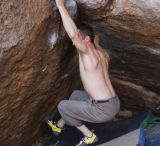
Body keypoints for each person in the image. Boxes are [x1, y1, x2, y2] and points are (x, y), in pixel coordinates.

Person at [45, 0, 120, 145]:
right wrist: (92, 39)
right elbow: (93, 40)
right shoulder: (102, 54)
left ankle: (88, 136)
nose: (75, 41)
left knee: (63, 106)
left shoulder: (88, 53)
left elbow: (74, 36)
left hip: (102, 109)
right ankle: (59, 126)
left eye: (80, 37)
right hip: (113, 103)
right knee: (75, 96)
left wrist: (61, 5)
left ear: (86, 39)